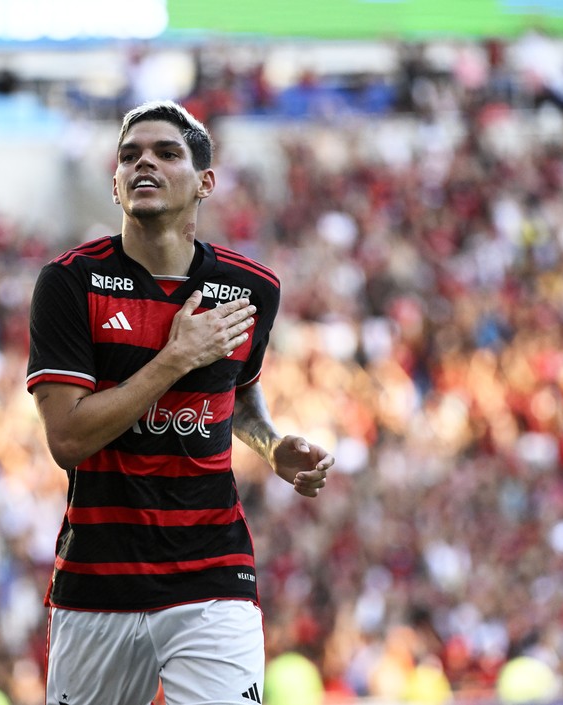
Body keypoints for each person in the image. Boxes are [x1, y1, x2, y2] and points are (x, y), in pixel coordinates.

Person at [26, 99, 335, 705]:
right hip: (99, 580)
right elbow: (67, 439)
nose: (144, 163)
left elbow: (237, 392)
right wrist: (175, 358)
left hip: (212, 571)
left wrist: (272, 444)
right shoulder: (69, 283)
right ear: (115, 184)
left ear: (204, 183)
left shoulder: (252, 288)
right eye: (129, 156)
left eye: (166, 153)